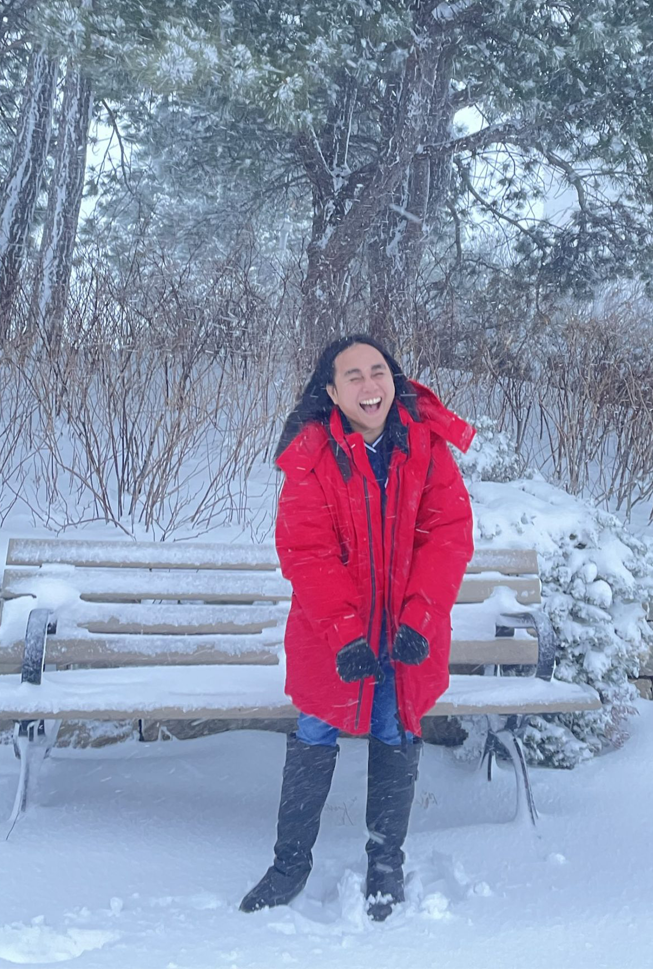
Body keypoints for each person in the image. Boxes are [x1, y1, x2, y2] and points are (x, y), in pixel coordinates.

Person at [240, 335, 475, 921]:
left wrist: (421, 617)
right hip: (331, 637)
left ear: (394, 380)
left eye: (378, 371)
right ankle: (289, 865)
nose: (369, 386)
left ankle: (385, 863)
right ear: (332, 391)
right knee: (315, 732)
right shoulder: (312, 454)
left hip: (405, 637)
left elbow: (447, 535)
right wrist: (346, 633)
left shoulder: (424, 445)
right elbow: (307, 552)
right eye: (353, 376)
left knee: (395, 731)